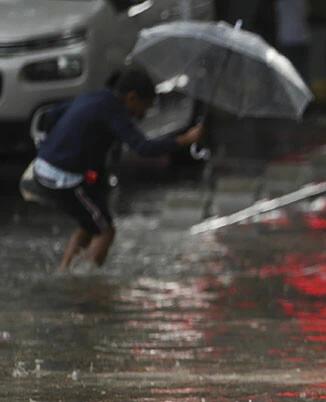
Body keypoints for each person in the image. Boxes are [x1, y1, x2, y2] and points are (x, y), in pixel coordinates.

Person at [20, 69, 203, 272]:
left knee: (90, 223)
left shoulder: (95, 97)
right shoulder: (115, 111)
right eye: (144, 107)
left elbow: (52, 116)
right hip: (63, 177)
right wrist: (185, 139)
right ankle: (83, 284)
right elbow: (143, 147)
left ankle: (63, 272)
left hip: (43, 166)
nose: (142, 114)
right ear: (132, 97)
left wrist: (57, 146)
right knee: (106, 230)